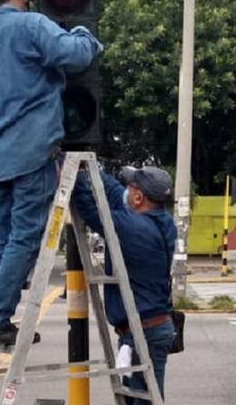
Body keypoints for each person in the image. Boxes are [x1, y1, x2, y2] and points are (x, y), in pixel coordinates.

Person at [0, 0, 102, 346]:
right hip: (33, 150)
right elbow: (76, 55)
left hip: (0, 154)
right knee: (25, 238)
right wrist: (84, 32)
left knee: (5, 238)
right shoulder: (31, 25)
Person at [73, 165, 176, 404]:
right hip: (145, 329)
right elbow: (114, 193)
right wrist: (89, 170)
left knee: (144, 401)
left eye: (131, 188)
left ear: (138, 198)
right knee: (137, 398)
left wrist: (74, 178)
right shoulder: (160, 220)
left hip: (144, 334)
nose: (125, 191)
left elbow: (91, 211)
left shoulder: (133, 227)